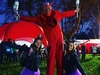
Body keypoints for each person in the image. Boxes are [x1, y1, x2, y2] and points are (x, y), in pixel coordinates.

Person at [15, 2, 79, 75]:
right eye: (45, 8)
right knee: (50, 59)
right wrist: (20, 17)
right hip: (51, 40)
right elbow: (31, 19)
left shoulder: (56, 14)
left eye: (48, 8)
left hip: (59, 39)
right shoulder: (40, 18)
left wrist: (74, 11)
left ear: (51, 8)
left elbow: (65, 14)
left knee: (60, 59)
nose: (47, 10)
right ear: (43, 10)